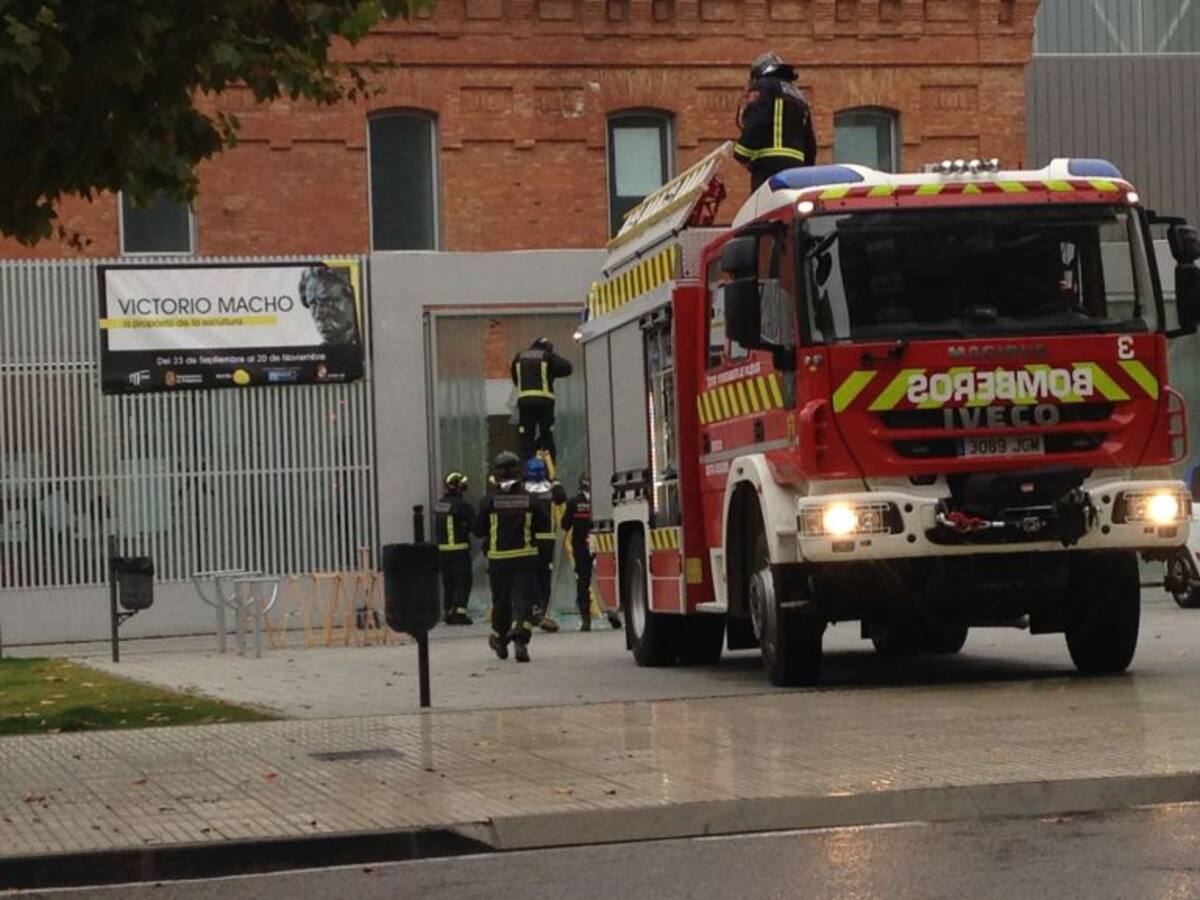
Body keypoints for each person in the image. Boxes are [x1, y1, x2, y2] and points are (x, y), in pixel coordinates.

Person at [474, 451, 548, 663]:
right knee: (524, 601)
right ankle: (521, 639)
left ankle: (500, 637)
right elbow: (543, 524)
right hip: (525, 559)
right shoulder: (529, 500)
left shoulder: (489, 501)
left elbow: (478, 530)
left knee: (501, 602)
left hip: (498, 561)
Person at [733, 51, 817, 192]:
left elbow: (756, 122)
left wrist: (741, 153)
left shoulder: (763, 86)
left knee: (764, 211)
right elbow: (810, 141)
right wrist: (806, 170)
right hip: (797, 169)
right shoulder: (799, 95)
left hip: (768, 168)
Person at [561, 473, 623, 631]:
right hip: (603, 546)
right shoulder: (603, 501)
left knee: (583, 582)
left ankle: (586, 619)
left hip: (581, 547)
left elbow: (565, 525)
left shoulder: (574, 503)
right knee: (606, 579)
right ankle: (612, 612)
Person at [511, 338, 573, 462]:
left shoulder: (519, 357)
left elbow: (515, 377)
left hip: (525, 401)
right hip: (544, 401)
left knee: (527, 435)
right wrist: (551, 370)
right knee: (546, 434)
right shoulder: (547, 356)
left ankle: (527, 465)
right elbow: (567, 368)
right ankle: (550, 467)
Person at [523, 456, 566, 633]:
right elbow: (561, 496)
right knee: (544, 577)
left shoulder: (524, 491)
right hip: (547, 540)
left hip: (531, 541)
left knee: (529, 576)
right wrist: (555, 480)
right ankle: (542, 609)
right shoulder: (551, 489)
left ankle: (532, 610)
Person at [433, 471, 474, 625]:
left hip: (443, 552)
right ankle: (459, 612)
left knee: (448, 582)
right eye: (463, 487)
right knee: (463, 582)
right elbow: (476, 526)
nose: (464, 491)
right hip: (459, 551)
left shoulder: (440, 504)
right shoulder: (463, 506)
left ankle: (448, 611)